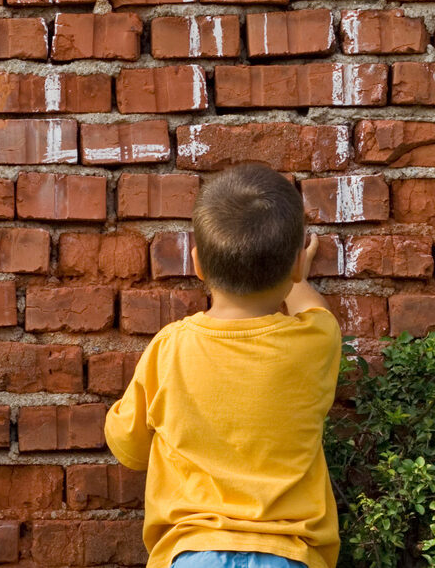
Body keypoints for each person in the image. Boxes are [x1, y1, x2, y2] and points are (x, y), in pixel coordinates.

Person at [105, 163, 342, 568]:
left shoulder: (169, 349)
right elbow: (313, 308)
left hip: (193, 552)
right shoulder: (316, 341)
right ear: (296, 266)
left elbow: (129, 446)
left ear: (197, 264)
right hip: (289, 555)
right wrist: (296, 274)